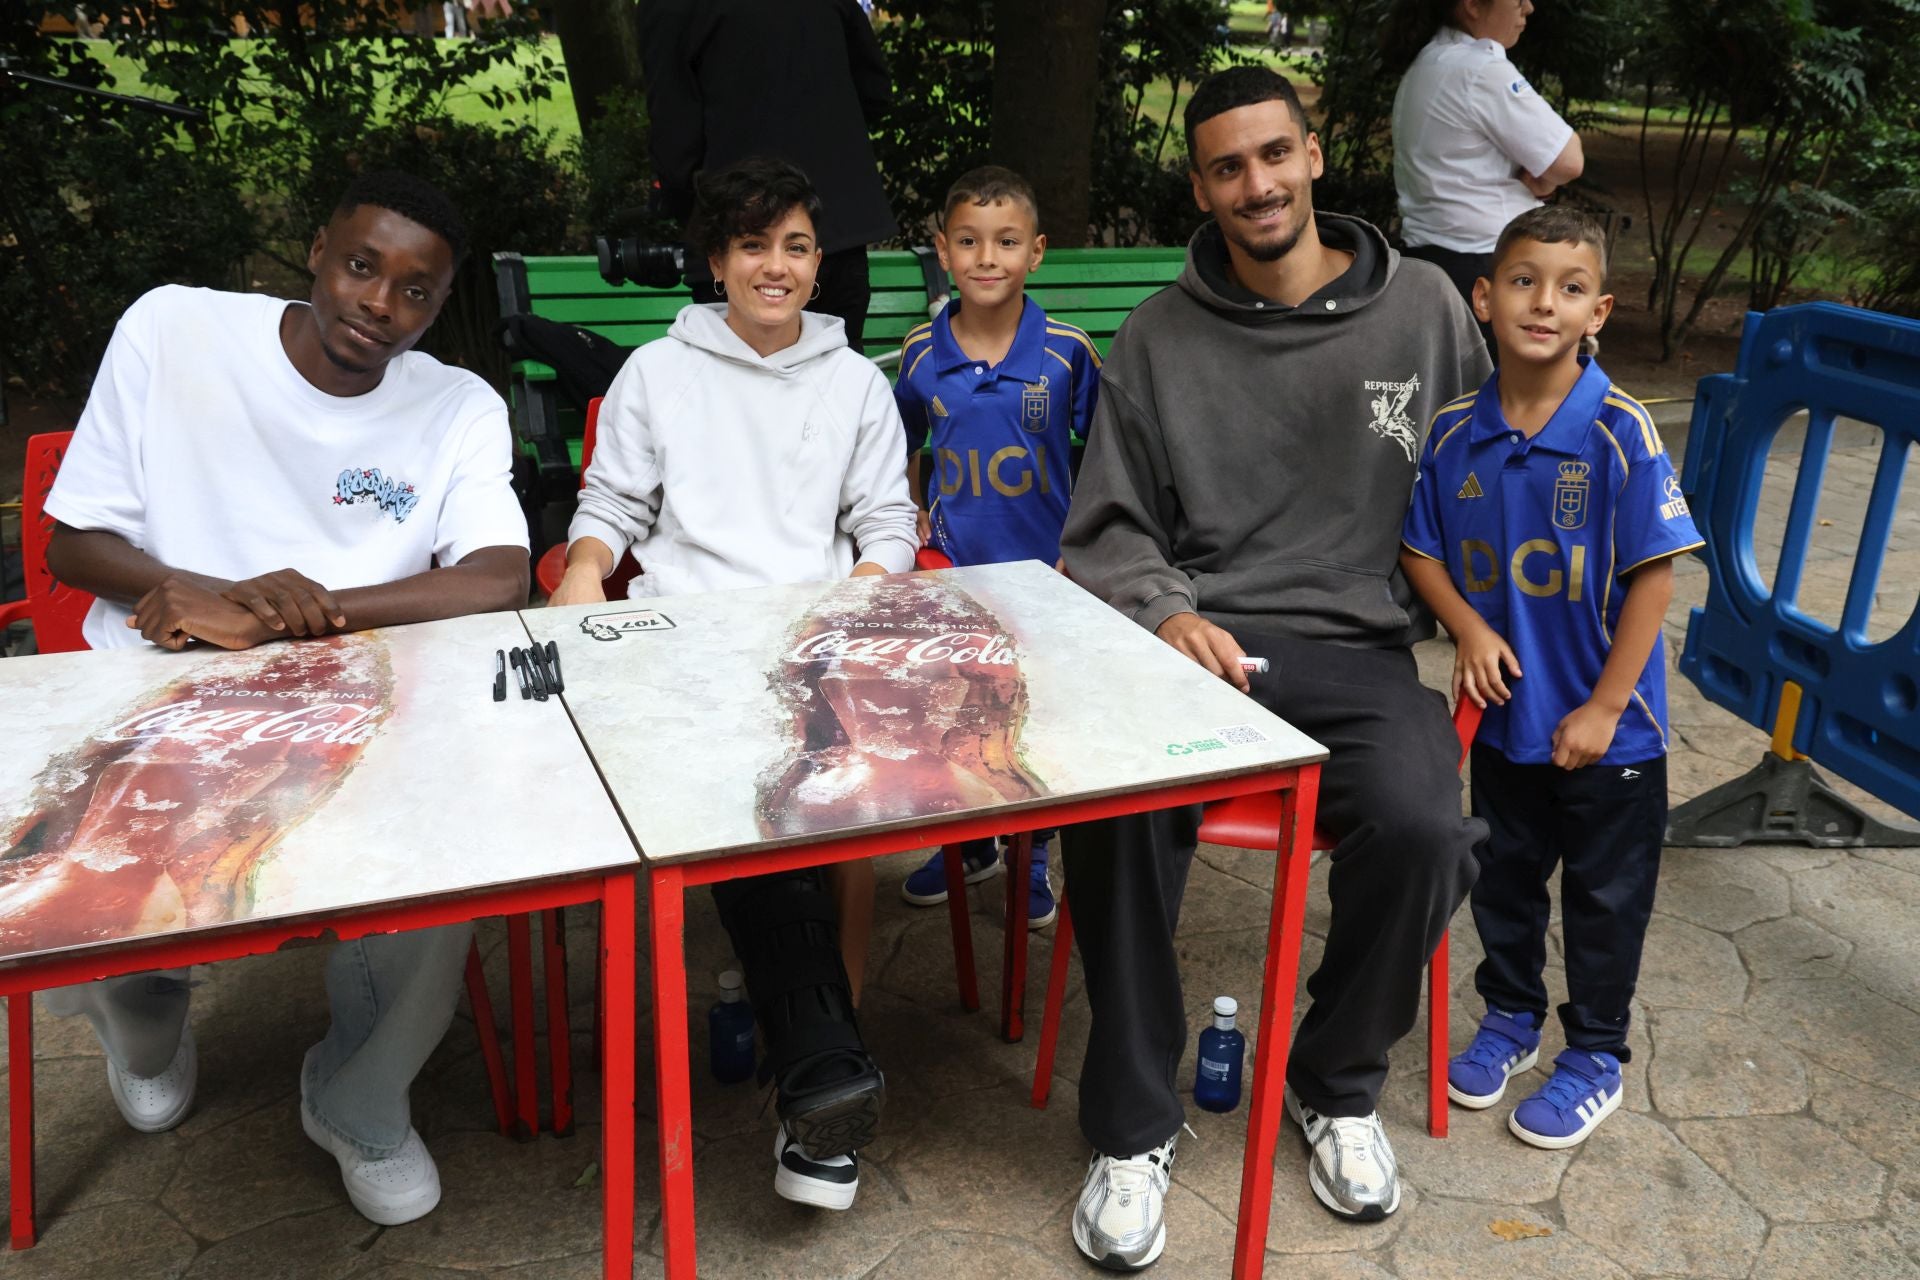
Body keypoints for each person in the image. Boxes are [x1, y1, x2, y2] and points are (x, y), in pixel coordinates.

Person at [1057, 65, 1490, 1270]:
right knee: (1116, 812)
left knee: (1423, 827)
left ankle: (1335, 1082)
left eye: (1275, 155)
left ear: (1313, 158)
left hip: (1358, 646)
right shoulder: (1153, 337)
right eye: (1229, 166)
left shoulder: (1427, 313)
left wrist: (1500, 620)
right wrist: (1163, 609)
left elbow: (1484, 473)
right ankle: (1136, 1124)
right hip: (1206, 641)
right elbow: (1111, 522)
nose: (1258, 184)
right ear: (1200, 186)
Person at [40, 171, 532, 1226]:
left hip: (355, 698)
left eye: (415, 291)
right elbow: (71, 539)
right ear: (316, 251)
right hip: (159, 687)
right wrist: (190, 595)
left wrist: (289, 613)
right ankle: (147, 1020)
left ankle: (356, 1093)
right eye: (362, 267)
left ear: (439, 307)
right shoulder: (174, 331)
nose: (378, 305)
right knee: (96, 867)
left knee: (449, 845)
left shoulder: (455, 405)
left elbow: (500, 575)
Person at [546, 155, 916, 1212]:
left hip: (813, 641)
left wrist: (847, 602)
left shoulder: (855, 382)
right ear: (715, 259)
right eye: (754, 244)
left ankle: (818, 1069)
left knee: (778, 775)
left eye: (797, 246)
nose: (777, 266)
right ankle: (822, 1072)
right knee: (745, 778)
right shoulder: (658, 374)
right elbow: (611, 502)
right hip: (682, 641)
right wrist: (580, 566)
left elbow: (887, 525)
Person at [1399, 206, 1702, 1148]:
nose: (1545, 302)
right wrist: (1468, 631)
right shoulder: (1453, 433)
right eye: (1525, 280)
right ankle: (1512, 1019)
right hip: (1501, 724)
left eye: (1571, 288)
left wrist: (1607, 706)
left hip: (1613, 736)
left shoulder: (1620, 432)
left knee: (1607, 901)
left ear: (1598, 311)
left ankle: (1596, 1054)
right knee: (1507, 885)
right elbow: (1419, 552)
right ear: (1484, 298)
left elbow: (1655, 574)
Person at [890, 165, 1101, 930]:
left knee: (1029, 718)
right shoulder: (919, 353)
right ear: (943, 251)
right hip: (955, 576)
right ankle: (969, 843)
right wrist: (911, 509)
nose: (988, 258)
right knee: (956, 711)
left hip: (1048, 574)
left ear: (1036, 252)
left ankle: (1033, 850)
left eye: (1006, 242)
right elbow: (902, 444)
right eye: (970, 242)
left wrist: (1086, 545)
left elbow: (1104, 458)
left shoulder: (1068, 353)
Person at [640, 0, 897, 350]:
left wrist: (688, 208)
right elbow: (875, 93)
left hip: (738, 229)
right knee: (835, 385)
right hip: (835, 227)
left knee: (736, 385)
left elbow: (674, 141)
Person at [1387, 0, 1583, 336]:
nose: (1529, 8)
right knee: (1503, 387)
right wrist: (1543, 179)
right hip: (1484, 265)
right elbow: (1568, 161)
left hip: (1435, 262)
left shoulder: (1430, 62)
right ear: (1472, 5)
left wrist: (1541, 178)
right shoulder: (1478, 68)